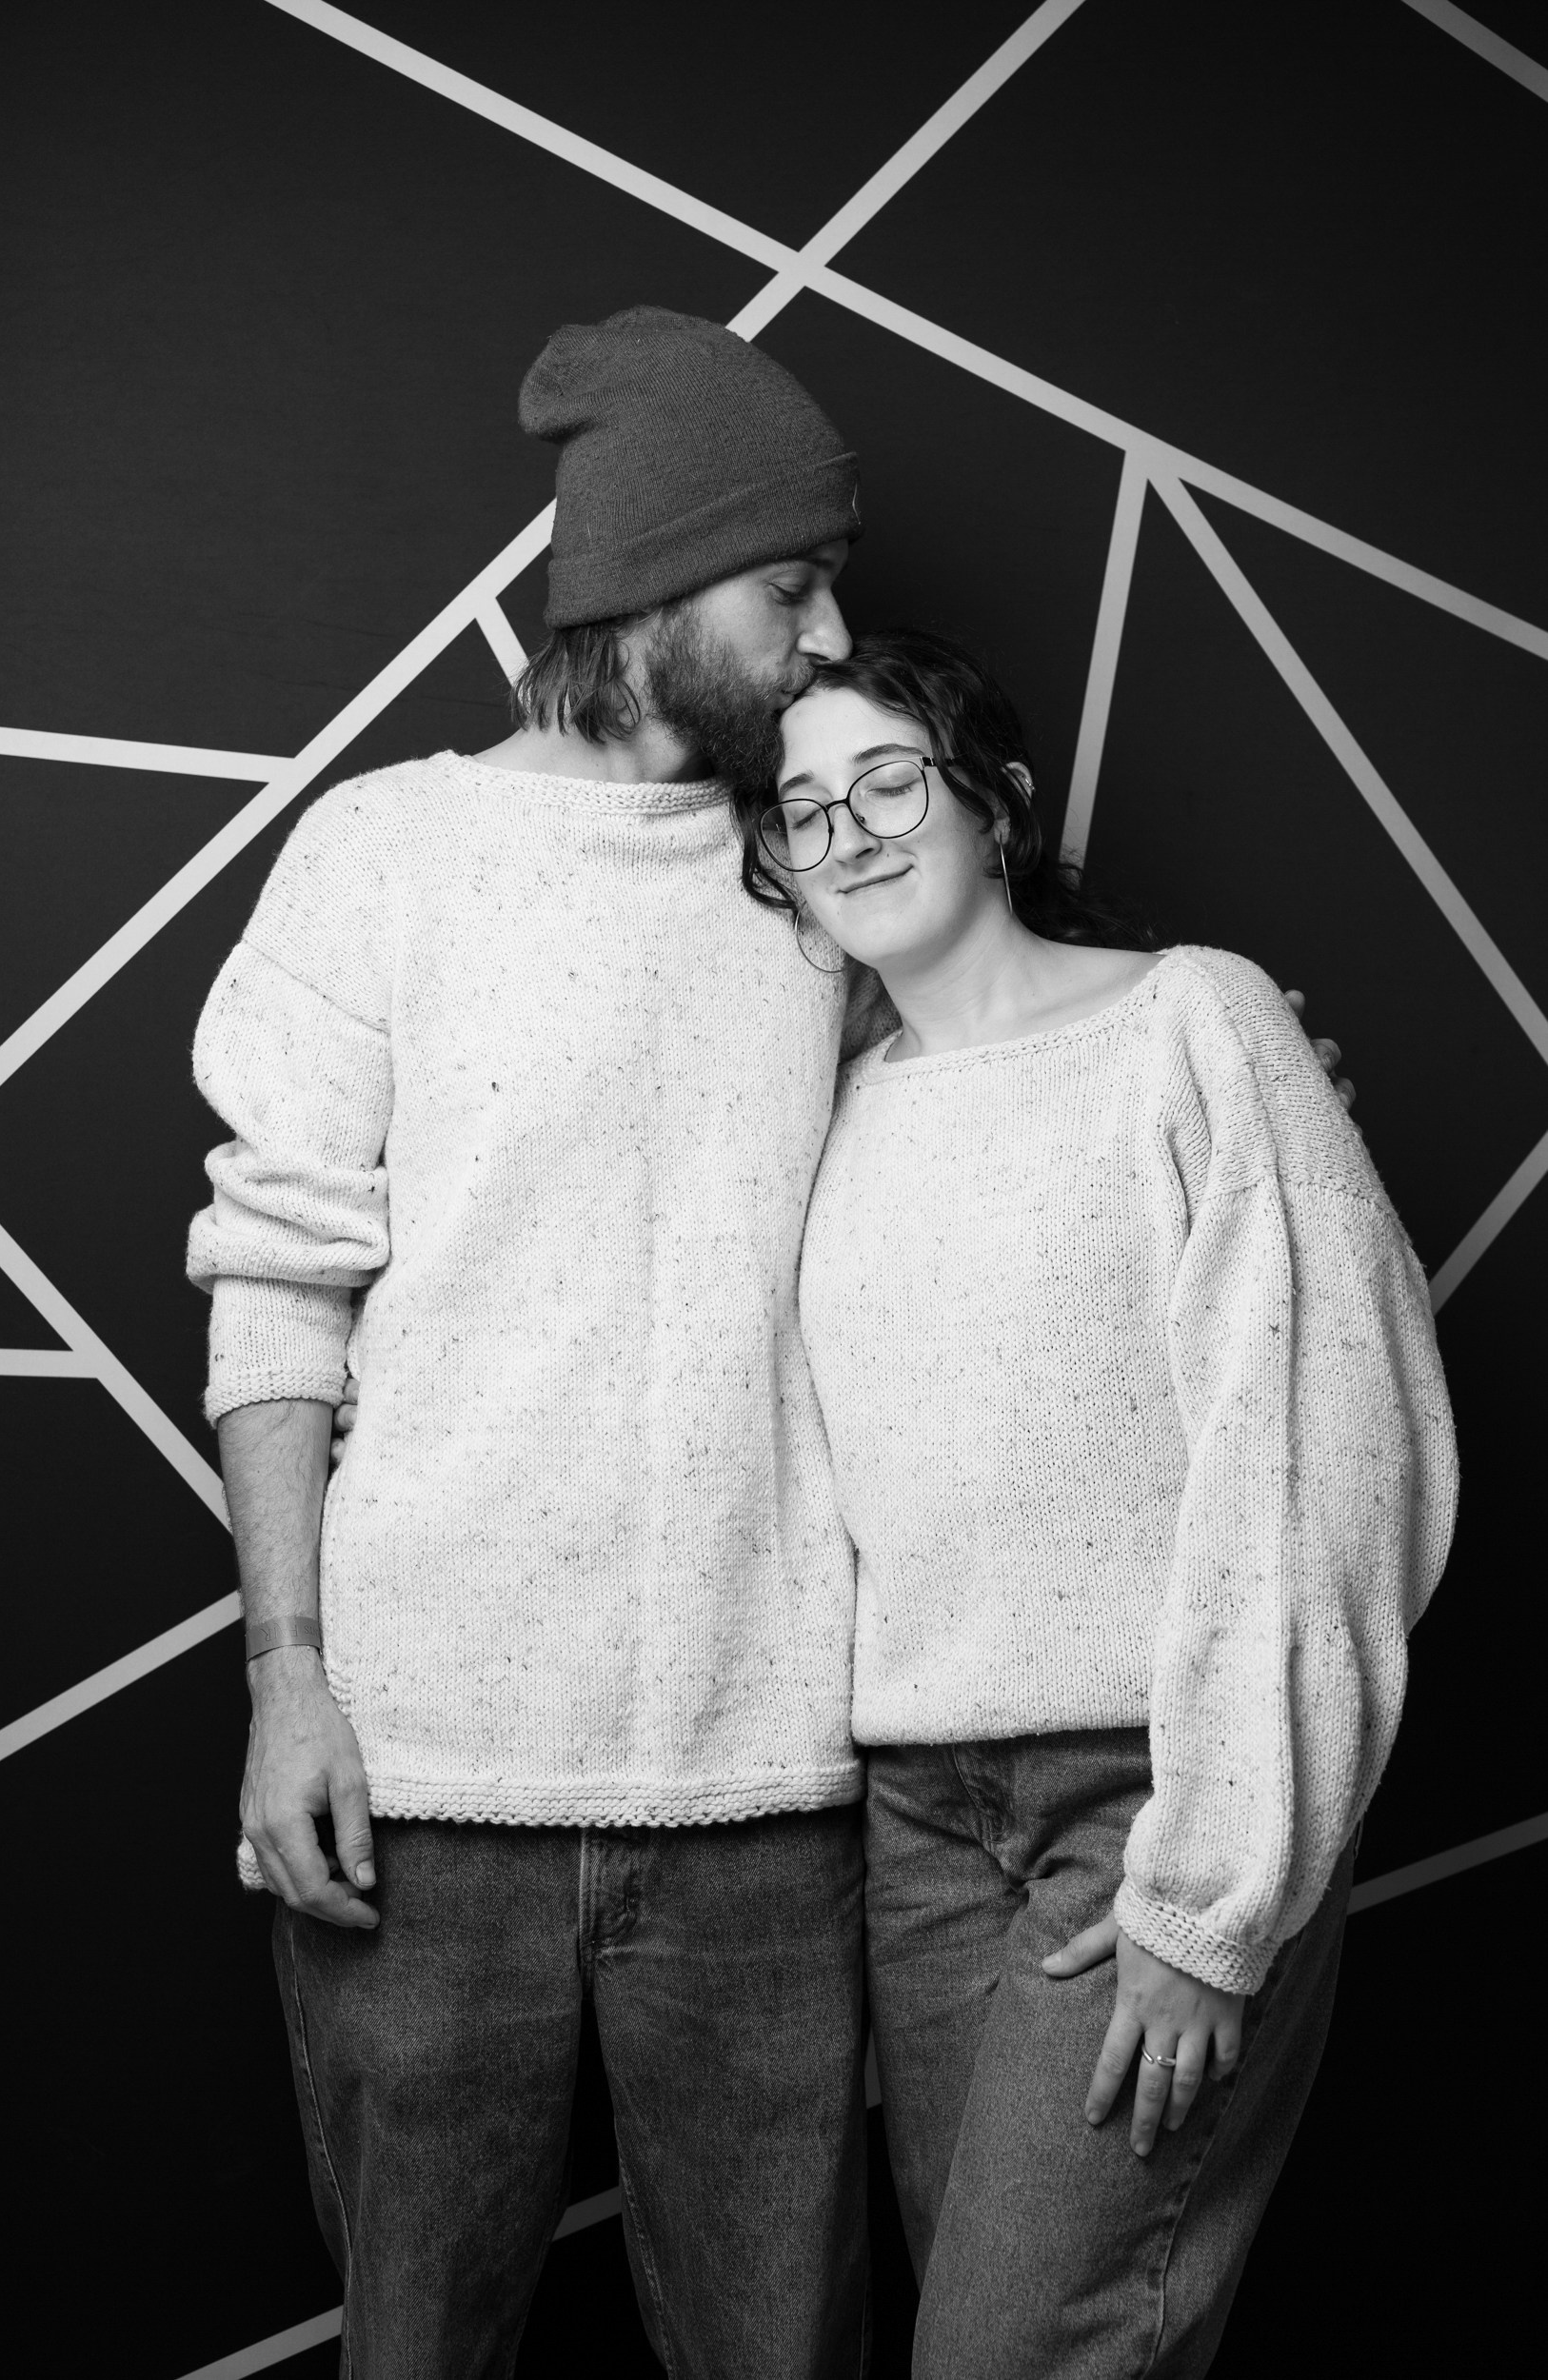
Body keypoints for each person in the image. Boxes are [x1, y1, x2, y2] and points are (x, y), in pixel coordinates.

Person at [186, 307, 879, 2379]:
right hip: (422, 1790)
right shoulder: (388, 854)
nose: (835, 637)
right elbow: (276, 1283)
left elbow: (1003, 1102)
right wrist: (287, 1679)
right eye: (791, 587)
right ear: (655, 586)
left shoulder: (828, 872)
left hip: (773, 1791)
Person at [734, 628, 1458, 2379]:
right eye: (804, 811)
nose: (849, 833)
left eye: (889, 780)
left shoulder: (1195, 1021)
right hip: (920, 1823)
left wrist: (1213, 1891)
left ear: (999, 804)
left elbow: (1326, 1452)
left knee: (1009, 2354)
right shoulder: (830, 1112)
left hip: (1155, 1789)